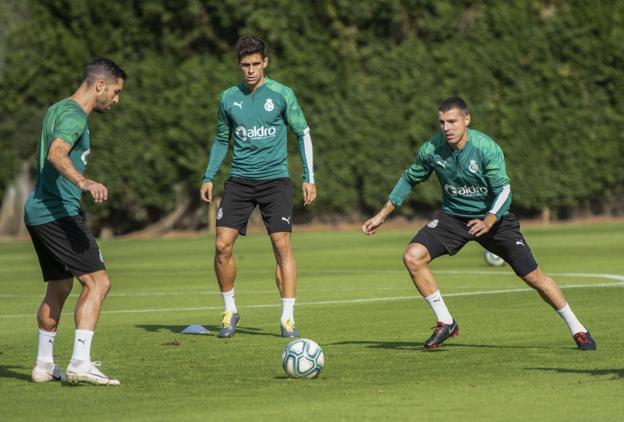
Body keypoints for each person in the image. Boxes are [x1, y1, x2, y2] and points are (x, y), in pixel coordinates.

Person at [362, 96, 596, 351]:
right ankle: (445, 321)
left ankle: (578, 329)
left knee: (534, 277)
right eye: (442, 122)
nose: (446, 128)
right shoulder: (432, 149)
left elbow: (503, 190)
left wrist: (489, 219)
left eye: (452, 121)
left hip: (495, 219)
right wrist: (381, 215)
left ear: (466, 120)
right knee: (412, 257)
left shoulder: (486, 148)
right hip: (453, 218)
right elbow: (409, 179)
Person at [200, 35, 316, 338]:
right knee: (221, 245)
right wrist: (208, 176)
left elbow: (303, 133)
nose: (250, 70)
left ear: (265, 62)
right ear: (239, 65)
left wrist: (309, 177)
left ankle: (287, 318)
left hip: (275, 180)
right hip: (240, 180)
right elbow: (221, 139)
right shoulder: (228, 98)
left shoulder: (281, 94)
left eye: (255, 64)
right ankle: (229, 311)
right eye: (244, 65)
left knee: (282, 246)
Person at [24, 57, 126, 385]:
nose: (115, 98)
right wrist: (83, 182)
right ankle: (80, 362)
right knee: (99, 283)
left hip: (39, 212)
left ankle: (43, 364)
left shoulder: (57, 108)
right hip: (58, 213)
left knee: (60, 285)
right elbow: (56, 153)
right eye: (115, 91)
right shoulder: (74, 116)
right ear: (99, 85)